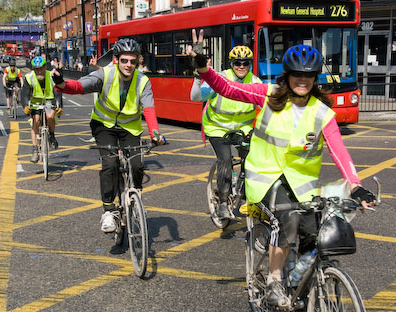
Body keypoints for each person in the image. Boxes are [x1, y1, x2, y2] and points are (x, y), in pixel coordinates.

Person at [189, 44, 377, 308]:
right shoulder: (269, 95)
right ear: (287, 75)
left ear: (315, 78)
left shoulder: (322, 113)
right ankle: (275, 281)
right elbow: (228, 88)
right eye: (296, 74)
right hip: (263, 177)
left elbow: (339, 150)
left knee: (317, 233)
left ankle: (300, 280)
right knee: (286, 220)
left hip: (301, 186)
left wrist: (355, 186)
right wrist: (203, 70)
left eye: (309, 75)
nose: (302, 79)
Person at [52, 38, 166, 233]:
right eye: (124, 60)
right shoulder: (105, 74)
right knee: (110, 164)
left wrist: (155, 133)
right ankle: (108, 211)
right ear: (116, 60)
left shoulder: (143, 80)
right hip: (103, 125)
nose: (128, 65)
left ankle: (135, 197)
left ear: (138, 61)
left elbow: (148, 108)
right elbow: (80, 87)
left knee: (137, 164)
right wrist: (62, 83)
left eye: (132, 61)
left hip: (129, 127)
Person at [190, 37, 261, 219]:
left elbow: (268, 107)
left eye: (245, 63)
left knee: (254, 158)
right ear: (232, 64)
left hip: (242, 128)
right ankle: (222, 202)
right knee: (225, 159)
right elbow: (196, 97)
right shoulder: (220, 78)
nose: (241, 66)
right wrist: (198, 76)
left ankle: (247, 194)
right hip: (217, 127)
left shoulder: (256, 82)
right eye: (237, 63)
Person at [20, 56, 63, 163]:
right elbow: (24, 94)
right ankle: (35, 150)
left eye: (41, 68)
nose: (39, 71)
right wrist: (25, 105)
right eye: (36, 69)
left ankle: (52, 137)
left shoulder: (51, 75)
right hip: (35, 104)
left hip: (49, 102)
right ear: (33, 69)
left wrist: (59, 106)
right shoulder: (29, 77)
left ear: (45, 67)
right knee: (36, 121)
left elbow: (58, 92)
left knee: (50, 116)